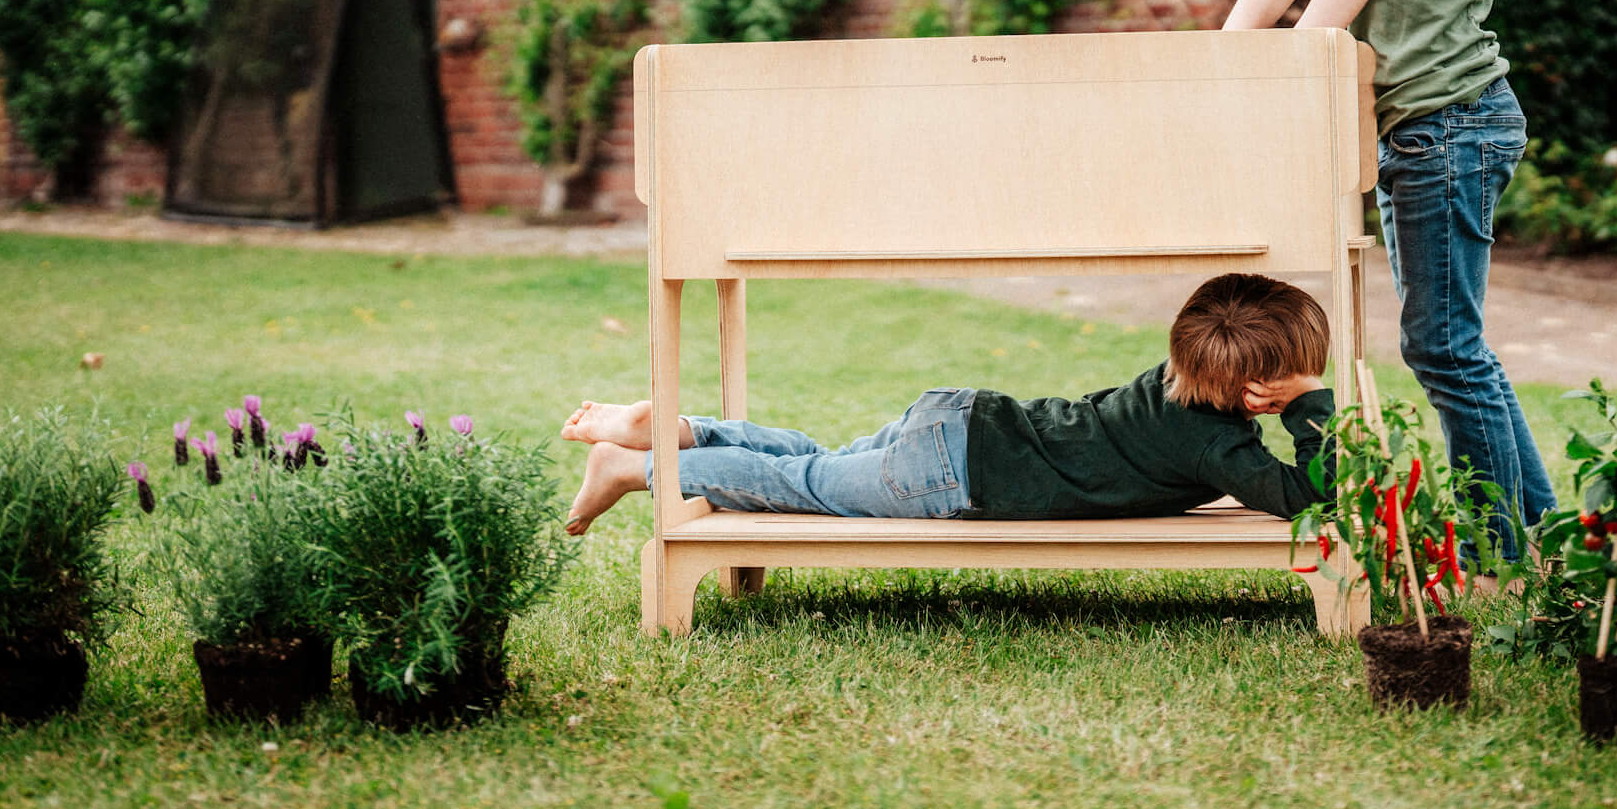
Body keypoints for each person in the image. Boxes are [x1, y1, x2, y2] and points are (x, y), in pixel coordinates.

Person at [1220, 0, 1554, 554]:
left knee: (1444, 347)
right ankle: (1534, 527)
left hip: (1457, 118)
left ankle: (1499, 547)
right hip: (1407, 125)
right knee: (1450, 346)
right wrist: (1221, 65)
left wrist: (1299, 70)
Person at [561, 273, 1335, 531]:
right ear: (1255, 389)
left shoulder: (1171, 379)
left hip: (963, 416)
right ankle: (638, 468)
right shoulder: (1214, 446)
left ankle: (684, 427)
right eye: (1295, 369)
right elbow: (1310, 497)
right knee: (808, 490)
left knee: (820, 464)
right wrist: (1309, 405)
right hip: (957, 473)